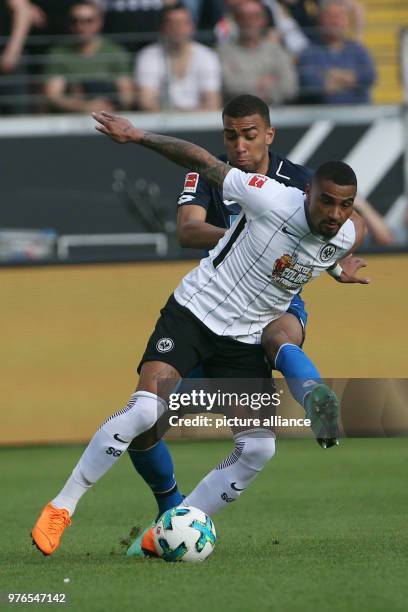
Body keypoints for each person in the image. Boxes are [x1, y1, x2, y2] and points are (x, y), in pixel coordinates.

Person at [31, 108, 368, 556]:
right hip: (195, 311)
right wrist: (136, 136)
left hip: (246, 338)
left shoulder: (342, 234)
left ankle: (170, 528)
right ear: (309, 193)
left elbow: (325, 247)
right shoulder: (267, 195)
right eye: (327, 201)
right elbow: (200, 160)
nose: (335, 213)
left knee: (258, 450)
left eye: (345, 205)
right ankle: (62, 506)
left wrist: (335, 269)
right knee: (144, 412)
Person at [44, 0, 133, 113]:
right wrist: (83, 106)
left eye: (88, 21)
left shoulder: (116, 53)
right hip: (71, 121)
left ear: (99, 22)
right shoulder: (57, 54)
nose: (81, 26)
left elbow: (127, 96)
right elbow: (52, 96)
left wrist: (106, 106)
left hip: (111, 117)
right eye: (75, 21)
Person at [134, 2, 222, 111]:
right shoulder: (148, 56)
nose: (177, 28)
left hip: (200, 123)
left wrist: (181, 116)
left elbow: (213, 102)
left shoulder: (207, 56)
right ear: (163, 27)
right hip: (160, 124)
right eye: (172, 23)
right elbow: (146, 103)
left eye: (183, 23)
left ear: (192, 27)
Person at [218, 1, 298, 105]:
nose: (249, 21)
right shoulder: (223, 52)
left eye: (255, 16)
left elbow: (290, 88)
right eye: (244, 16)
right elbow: (230, 86)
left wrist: (249, 86)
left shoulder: (277, 50)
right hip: (238, 114)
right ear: (236, 19)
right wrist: (264, 84)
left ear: (264, 20)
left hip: (275, 112)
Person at [297, 0, 375, 104]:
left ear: (347, 21)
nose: (335, 21)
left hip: (359, 115)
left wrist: (330, 75)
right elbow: (310, 82)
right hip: (322, 116)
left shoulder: (357, 50)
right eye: (329, 16)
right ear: (320, 20)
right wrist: (351, 78)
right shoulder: (308, 52)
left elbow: (369, 77)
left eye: (339, 16)